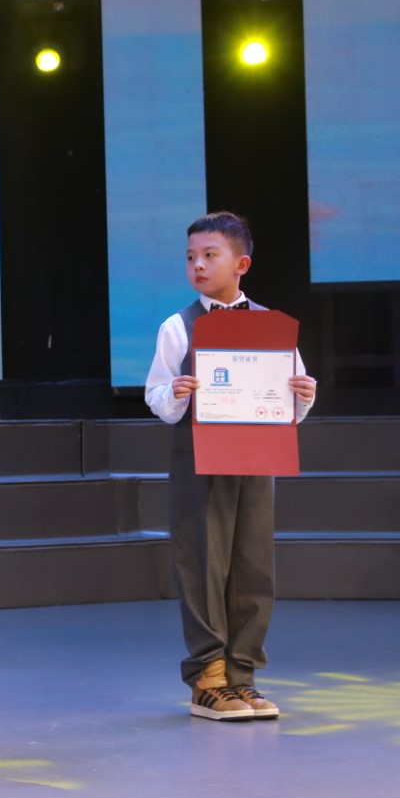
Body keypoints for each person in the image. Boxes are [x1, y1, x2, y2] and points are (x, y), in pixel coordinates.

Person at [145, 211, 316, 720]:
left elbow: (290, 397)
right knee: (203, 563)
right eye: (190, 257)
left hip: (256, 456)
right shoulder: (178, 326)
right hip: (199, 457)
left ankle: (243, 676)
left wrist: (303, 394)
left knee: (253, 567)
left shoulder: (272, 326)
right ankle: (208, 678)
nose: (197, 265)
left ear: (241, 264)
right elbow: (156, 393)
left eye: (209, 255)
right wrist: (176, 393)